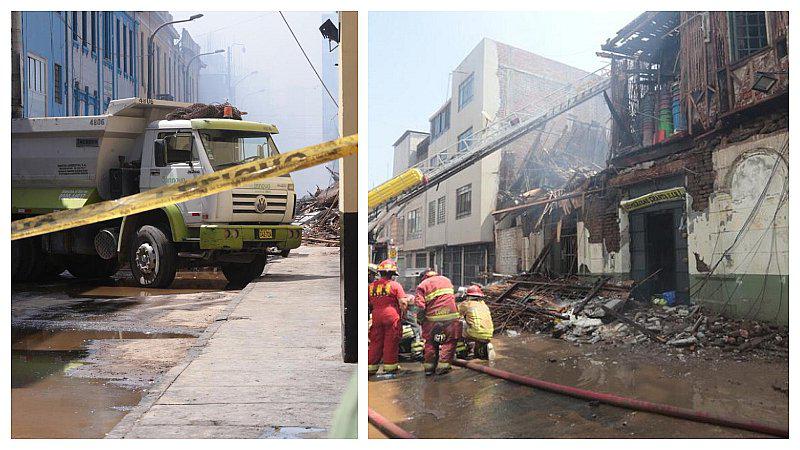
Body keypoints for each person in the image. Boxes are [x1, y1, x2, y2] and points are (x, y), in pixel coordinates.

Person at [414, 270, 460, 375]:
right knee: (449, 342)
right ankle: (443, 367)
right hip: (451, 318)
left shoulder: (423, 285)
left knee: (430, 343)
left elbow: (420, 306)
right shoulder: (446, 280)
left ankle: (429, 369)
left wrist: (420, 320)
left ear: (424, 277)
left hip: (433, 320)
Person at [368, 259, 405, 377]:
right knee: (391, 341)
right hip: (391, 315)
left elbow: (368, 303)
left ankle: (370, 367)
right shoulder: (395, 285)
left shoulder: (371, 287)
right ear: (392, 274)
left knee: (375, 342)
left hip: (376, 316)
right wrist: (403, 315)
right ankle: (390, 367)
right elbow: (403, 303)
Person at [456, 285, 496, 360]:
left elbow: (455, 316)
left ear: (468, 295)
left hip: (475, 332)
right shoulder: (484, 304)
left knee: (458, 325)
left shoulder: (466, 304)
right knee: (475, 330)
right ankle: (484, 348)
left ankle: (461, 351)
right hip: (489, 333)